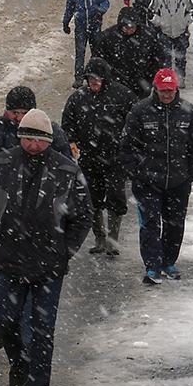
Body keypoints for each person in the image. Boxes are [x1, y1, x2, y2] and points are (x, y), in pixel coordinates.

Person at [0, 108, 93, 386]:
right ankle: (19, 364)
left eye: (39, 140)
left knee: (42, 329)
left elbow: (82, 217)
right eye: (27, 138)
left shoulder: (67, 171)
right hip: (8, 263)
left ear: (49, 141)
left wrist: (64, 251)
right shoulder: (0, 165)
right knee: (6, 321)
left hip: (48, 267)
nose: (33, 145)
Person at [0, 87, 73, 350]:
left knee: (33, 295)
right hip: (2, 225)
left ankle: (28, 345)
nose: (18, 118)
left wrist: (66, 231)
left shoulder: (51, 133)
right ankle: (4, 323)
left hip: (41, 230)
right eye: (13, 112)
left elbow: (70, 177)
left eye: (23, 113)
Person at [119, 69, 193, 286]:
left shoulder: (189, 112)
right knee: (150, 224)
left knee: (174, 223)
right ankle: (152, 265)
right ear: (155, 89)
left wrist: (190, 172)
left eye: (170, 91)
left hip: (178, 181)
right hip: (148, 182)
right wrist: (137, 173)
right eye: (162, 91)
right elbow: (127, 145)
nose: (167, 95)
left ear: (176, 89)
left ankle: (169, 262)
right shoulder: (140, 111)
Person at [60, 57, 136, 256]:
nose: (93, 83)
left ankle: (113, 240)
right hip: (88, 158)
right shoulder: (78, 98)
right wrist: (72, 142)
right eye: (90, 79)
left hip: (115, 159)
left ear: (106, 79)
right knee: (91, 200)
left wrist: (129, 149)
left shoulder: (123, 95)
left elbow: (134, 124)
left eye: (97, 79)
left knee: (116, 198)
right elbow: (68, 124)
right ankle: (99, 237)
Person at [94, 7, 167, 98]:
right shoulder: (108, 37)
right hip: (116, 79)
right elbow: (98, 59)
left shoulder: (148, 36)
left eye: (132, 27)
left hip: (142, 79)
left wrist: (153, 76)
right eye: (126, 27)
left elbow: (159, 58)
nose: (129, 30)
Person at [149, 0, 193, 88]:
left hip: (181, 32)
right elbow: (151, 13)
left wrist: (186, 21)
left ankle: (180, 81)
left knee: (180, 59)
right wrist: (159, 23)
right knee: (165, 59)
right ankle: (166, 82)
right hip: (164, 32)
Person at [62, 0, 110, 87]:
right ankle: (79, 78)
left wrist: (100, 11)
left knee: (97, 52)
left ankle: (97, 75)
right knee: (80, 52)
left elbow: (105, 2)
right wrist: (65, 23)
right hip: (80, 26)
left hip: (95, 25)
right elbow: (69, 8)